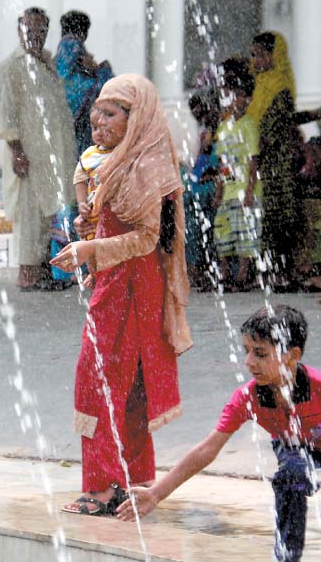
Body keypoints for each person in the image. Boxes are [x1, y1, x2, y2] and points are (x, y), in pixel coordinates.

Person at [51, 74, 191, 515]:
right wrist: (89, 232)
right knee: (124, 383)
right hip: (118, 280)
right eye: (97, 115)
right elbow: (113, 223)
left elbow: (148, 238)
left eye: (111, 114)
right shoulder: (117, 161)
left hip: (133, 284)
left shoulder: (147, 166)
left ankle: (102, 489)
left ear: (138, 118)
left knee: (99, 381)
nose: (100, 123)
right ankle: (129, 476)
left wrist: (91, 249)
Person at [118, 305, 319, 562]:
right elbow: (207, 449)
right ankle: (287, 558)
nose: (249, 362)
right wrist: (156, 493)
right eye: (247, 352)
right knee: (290, 477)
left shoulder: (318, 388)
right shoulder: (248, 398)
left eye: (260, 354)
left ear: (292, 355)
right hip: (294, 448)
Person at [0, 7, 77, 291]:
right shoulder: (11, 67)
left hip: (52, 157)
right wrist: (17, 150)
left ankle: (44, 271)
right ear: (19, 30)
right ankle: (28, 273)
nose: (35, 36)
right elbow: (6, 113)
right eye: (29, 30)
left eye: (41, 30)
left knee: (50, 213)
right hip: (29, 157)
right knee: (30, 215)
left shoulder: (47, 62)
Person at [248, 32, 306, 290]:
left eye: (261, 54)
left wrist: (253, 147)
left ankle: (286, 273)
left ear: (275, 55)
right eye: (254, 54)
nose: (256, 60)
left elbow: (270, 128)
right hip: (258, 160)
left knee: (281, 216)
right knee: (266, 218)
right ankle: (271, 272)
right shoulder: (256, 86)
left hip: (277, 162)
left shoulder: (280, 87)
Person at [212, 58, 261, 291]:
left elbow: (253, 159)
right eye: (233, 95)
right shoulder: (224, 127)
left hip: (245, 190)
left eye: (241, 95)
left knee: (245, 235)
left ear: (248, 99)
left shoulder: (249, 125)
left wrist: (250, 190)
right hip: (229, 189)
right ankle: (224, 275)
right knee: (223, 232)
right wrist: (219, 191)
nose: (237, 100)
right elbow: (222, 161)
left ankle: (241, 278)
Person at [55, 10, 114, 155]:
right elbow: (96, 84)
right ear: (84, 32)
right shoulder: (73, 46)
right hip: (78, 123)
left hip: (63, 124)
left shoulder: (59, 54)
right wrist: (102, 70)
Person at [70, 106, 114, 287]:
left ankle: (105, 274)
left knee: (107, 243)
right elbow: (79, 179)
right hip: (92, 209)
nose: (99, 133)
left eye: (105, 129)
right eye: (95, 128)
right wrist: (81, 203)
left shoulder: (120, 152)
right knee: (88, 240)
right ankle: (94, 273)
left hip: (112, 208)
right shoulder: (89, 154)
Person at [184, 87, 221, 291]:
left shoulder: (220, 132)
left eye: (202, 110)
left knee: (209, 233)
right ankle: (196, 270)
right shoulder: (203, 131)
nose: (198, 115)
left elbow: (218, 164)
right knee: (194, 232)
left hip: (210, 188)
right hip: (198, 187)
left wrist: (213, 178)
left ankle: (207, 271)